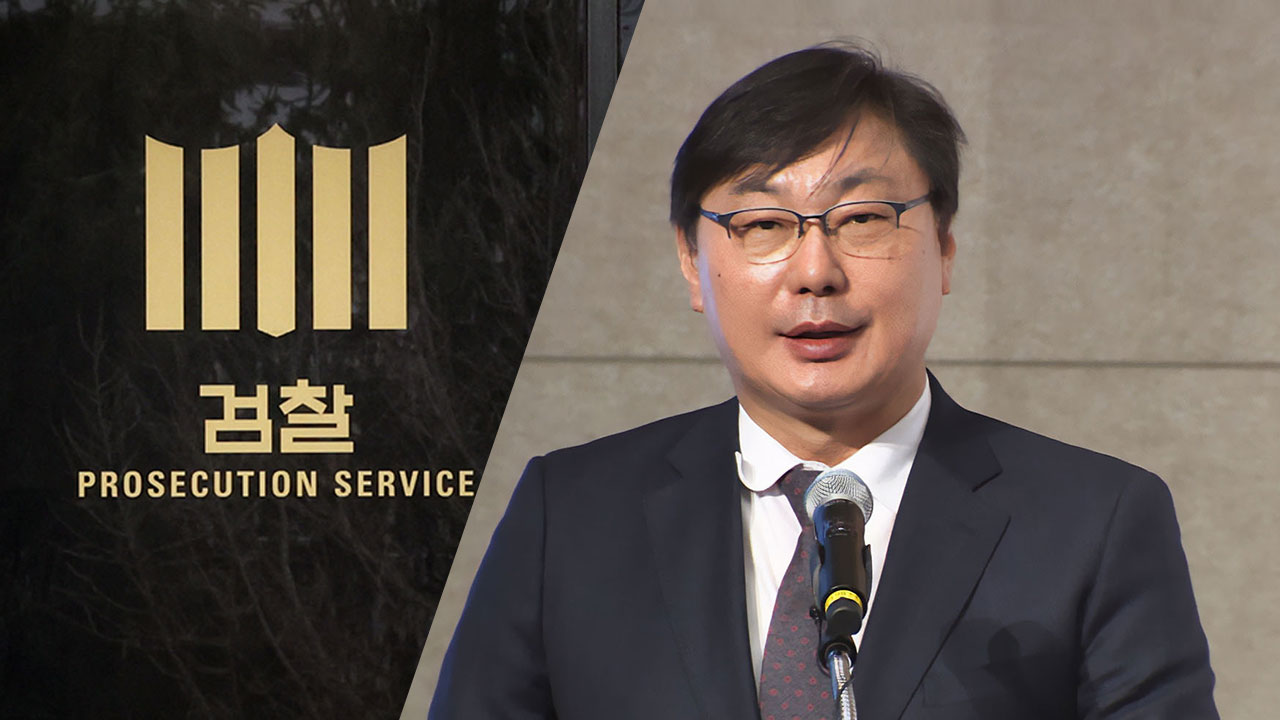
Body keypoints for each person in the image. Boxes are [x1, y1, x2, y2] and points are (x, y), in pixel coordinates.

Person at [430, 44, 1218, 719]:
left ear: (944, 247)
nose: (815, 271)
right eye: (764, 225)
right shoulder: (570, 517)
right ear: (692, 262)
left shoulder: (1095, 523)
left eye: (863, 218)